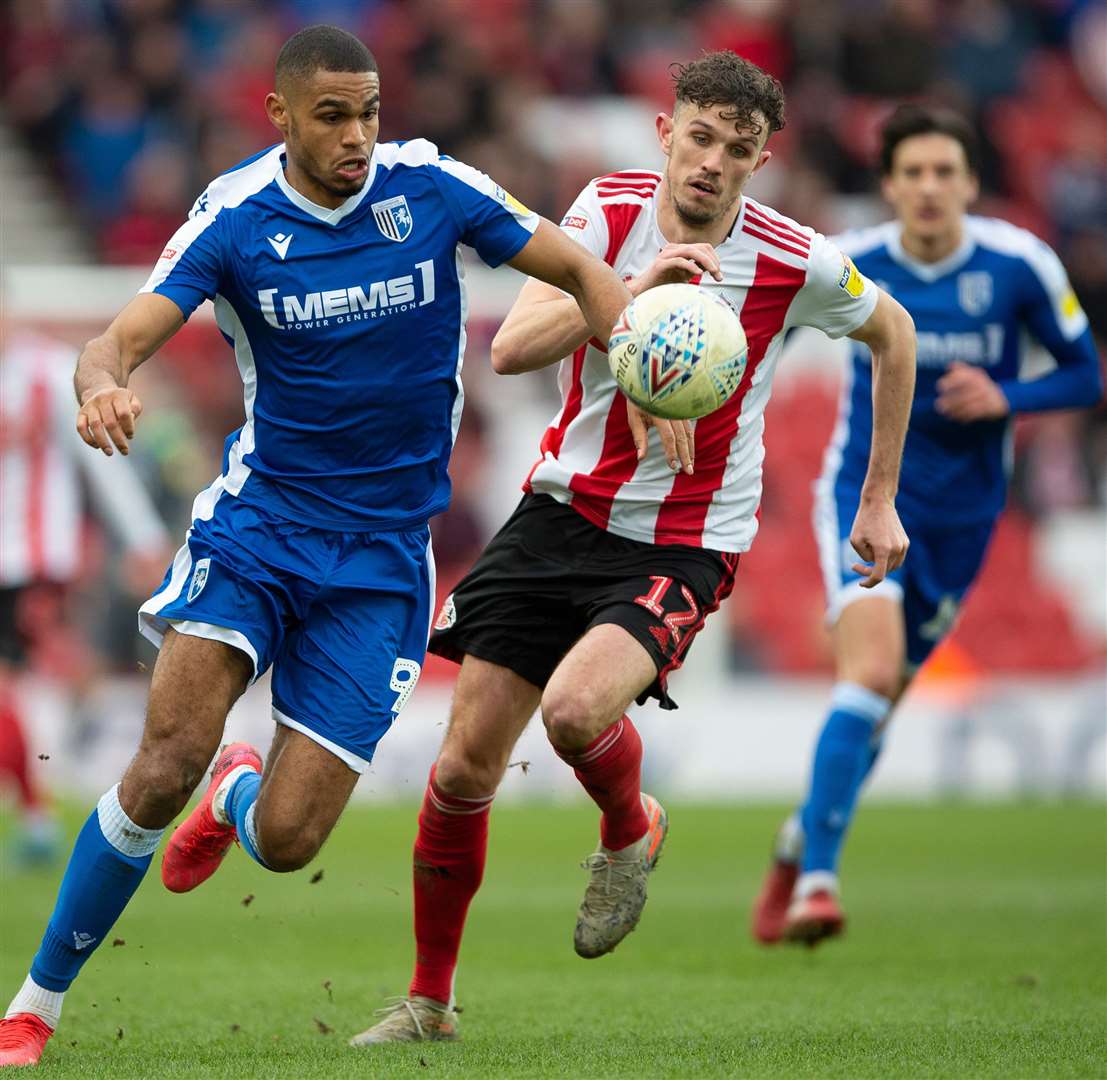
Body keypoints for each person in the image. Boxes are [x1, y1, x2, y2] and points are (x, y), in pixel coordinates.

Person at [0, 24, 640, 1069]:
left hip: (384, 560)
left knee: (289, 842)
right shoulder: (237, 216)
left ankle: (238, 794)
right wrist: (101, 384)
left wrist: (641, 378)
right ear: (282, 115)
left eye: (371, 111)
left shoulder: (433, 187)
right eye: (333, 115)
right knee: (163, 761)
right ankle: (34, 1004)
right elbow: (113, 339)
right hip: (260, 528)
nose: (357, 135)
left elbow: (577, 265)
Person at [352, 50, 915, 1047]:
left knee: (574, 714)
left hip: (685, 541)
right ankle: (429, 1004)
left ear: (761, 160)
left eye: (736, 150)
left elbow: (896, 330)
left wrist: (878, 500)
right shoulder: (607, 211)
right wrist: (628, 287)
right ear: (666, 133)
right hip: (560, 512)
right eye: (698, 137)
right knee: (459, 771)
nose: (712, 162)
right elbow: (513, 347)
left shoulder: (791, 258)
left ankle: (628, 825)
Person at [751, 104, 1103, 948]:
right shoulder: (852, 265)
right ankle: (819, 887)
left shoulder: (1021, 264)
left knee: (878, 705)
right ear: (889, 186)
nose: (929, 187)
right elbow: (761, 338)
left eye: (945, 171)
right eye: (912, 172)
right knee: (867, 676)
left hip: (964, 521)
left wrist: (1006, 398)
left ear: (971, 184)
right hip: (862, 498)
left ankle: (795, 845)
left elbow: (1086, 374)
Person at [0, 330, 169, 869]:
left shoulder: (46, 372)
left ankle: (38, 813)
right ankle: (38, 808)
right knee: (27, 682)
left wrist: (141, 535)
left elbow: (97, 456)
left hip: (32, 559)